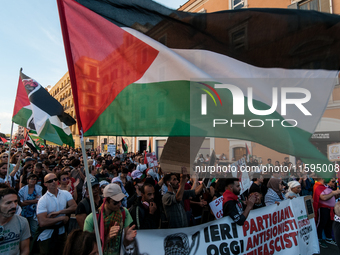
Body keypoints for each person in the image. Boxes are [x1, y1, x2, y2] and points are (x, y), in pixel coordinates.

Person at [83, 183, 136, 255]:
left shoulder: (124, 212)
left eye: (121, 200)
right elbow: (88, 249)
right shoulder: (92, 219)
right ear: (106, 200)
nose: (119, 204)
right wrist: (107, 238)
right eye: (116, 202)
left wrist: (127, 239)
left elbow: (125, 244)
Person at [35, 173, 77, 255]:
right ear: (45, 184)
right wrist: (61, 218)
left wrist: (60, 212)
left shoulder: (65, 194)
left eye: (55, 179)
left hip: (61, 232)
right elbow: (42, 222)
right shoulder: (43, 200)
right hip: (47, 235)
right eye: (50, 181)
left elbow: (74, 206)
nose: (53, 182)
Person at [0, 188, 30, 255]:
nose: (14, 206)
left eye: (15, 201)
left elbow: (25, 250)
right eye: (8, 203)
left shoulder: (22, 222)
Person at [313, 177, 340, 248]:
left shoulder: (326, 186)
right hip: (322, 208)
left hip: (330, 209)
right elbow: (323, 197)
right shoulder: (318, 186)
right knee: (321, 223)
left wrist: (335, 195)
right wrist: (334, 192)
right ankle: (318, 238)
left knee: (329, 223)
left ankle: (328, 238)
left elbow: (330, 196)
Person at [18, 173, 42, 237]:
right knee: (24, 228)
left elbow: (39, 200)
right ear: (28, 180)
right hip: (24, 211)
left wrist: (26, 201)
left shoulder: (39, 188)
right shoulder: (22, 189)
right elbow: (20, 203)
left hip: (34, 212)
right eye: (31, 179)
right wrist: (33, 201)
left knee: (34, 228)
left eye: (35, 179)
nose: (33, 181)